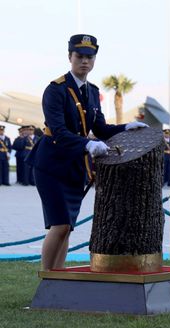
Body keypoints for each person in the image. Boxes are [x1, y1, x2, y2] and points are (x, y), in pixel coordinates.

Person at [26, 34, 147, 270]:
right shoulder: (56, 89)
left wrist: (125, 127)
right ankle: (47, 279)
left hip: (74, 167)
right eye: (79, 56)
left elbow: (100, 127)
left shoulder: (92, 91)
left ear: (94, 60)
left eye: (89, 57)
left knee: (67, 227)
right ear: (70, 57)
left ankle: (57, 276)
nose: (84, 61)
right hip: (51, 165)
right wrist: (87, 144)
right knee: (59, 225)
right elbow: (59, 131)